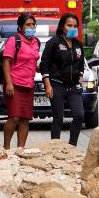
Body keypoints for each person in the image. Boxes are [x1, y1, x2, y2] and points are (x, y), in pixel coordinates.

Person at [40, 13, 86, 146]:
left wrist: (80, 79)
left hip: (73, 86)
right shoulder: (54, 42)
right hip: (57, 85)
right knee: (58, 118)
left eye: (75, 26)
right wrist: (47, 85)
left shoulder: (78, 44)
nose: (72, 28)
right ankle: (55, 147)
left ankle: (72, 146)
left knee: (79, 115)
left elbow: (81, 64)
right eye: (69, 25)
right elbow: (44, 64)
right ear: (62, 26)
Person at [1, 14, 41, 151]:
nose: (31, 27)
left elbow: (31, 62)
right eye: (28, 25)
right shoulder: (14, 40)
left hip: (28, 85)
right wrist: (9, 83)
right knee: (14, 117)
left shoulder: (36, 42)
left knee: (25, 118)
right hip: (14, 84)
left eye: (33, 25)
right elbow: (6, 62)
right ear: (20, 27)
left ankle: (20, 149)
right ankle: (6, 148)